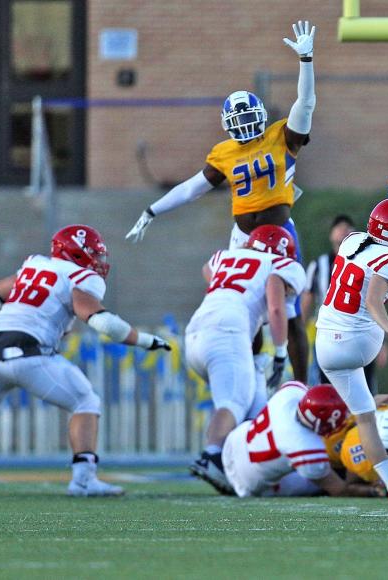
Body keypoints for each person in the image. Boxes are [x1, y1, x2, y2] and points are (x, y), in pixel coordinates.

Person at [126, 20, 318, 384]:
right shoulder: (224, 152)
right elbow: (192, 188)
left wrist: (306, 60)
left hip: (279, 235)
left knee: (290, 312)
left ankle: (300, 383)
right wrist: (153, 209)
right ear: (228, 124)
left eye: (250, 116)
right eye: (239, 119)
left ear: (262, 115)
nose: (246, 124)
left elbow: (305, 102)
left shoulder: (283, 136)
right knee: (244, 304)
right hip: (242, 237)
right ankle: (254, 371)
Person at [0, 225, 171, 497]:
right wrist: (145, 340)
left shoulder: (34, 266)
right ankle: (84, 479)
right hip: (26, 352)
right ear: (76, 253)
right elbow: (104, 323)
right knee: (85, 401)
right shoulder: (80, 276)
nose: (98, 261)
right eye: (93, 254)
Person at [314, 198, 388, 504]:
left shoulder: (351, 241)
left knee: (365, 417)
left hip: (324, 343)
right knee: (365, 417)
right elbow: (373, 301)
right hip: (358, 342)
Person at [185, 225, 306, 494]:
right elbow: (276, 307)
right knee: (233, 401)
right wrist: (281, 352)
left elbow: (208, 270)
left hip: (195, 333)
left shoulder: (225, 257)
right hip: (227, 331)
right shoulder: (280, 264)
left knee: (252, 403)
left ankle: (247, 465)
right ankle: (213, 456)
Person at [220, 381, 379, 498]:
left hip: (234, 441)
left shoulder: (290, 395)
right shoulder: (304, 446)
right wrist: (373, 490)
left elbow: (310, 392)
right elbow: (339, 490)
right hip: (247, 483)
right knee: (323, 481)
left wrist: (365, 406)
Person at [302, 215, 387, 388]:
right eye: (339, 227)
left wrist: (382, 341)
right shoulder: (319, 265)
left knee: (365, 388)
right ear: (331, 235)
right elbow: (307, 302)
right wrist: (299, 335)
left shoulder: (367, 265)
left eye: (349, 227)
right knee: (328, 389)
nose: (344, 230)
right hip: (329, 336)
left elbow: (374, 303)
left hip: (361, 334)